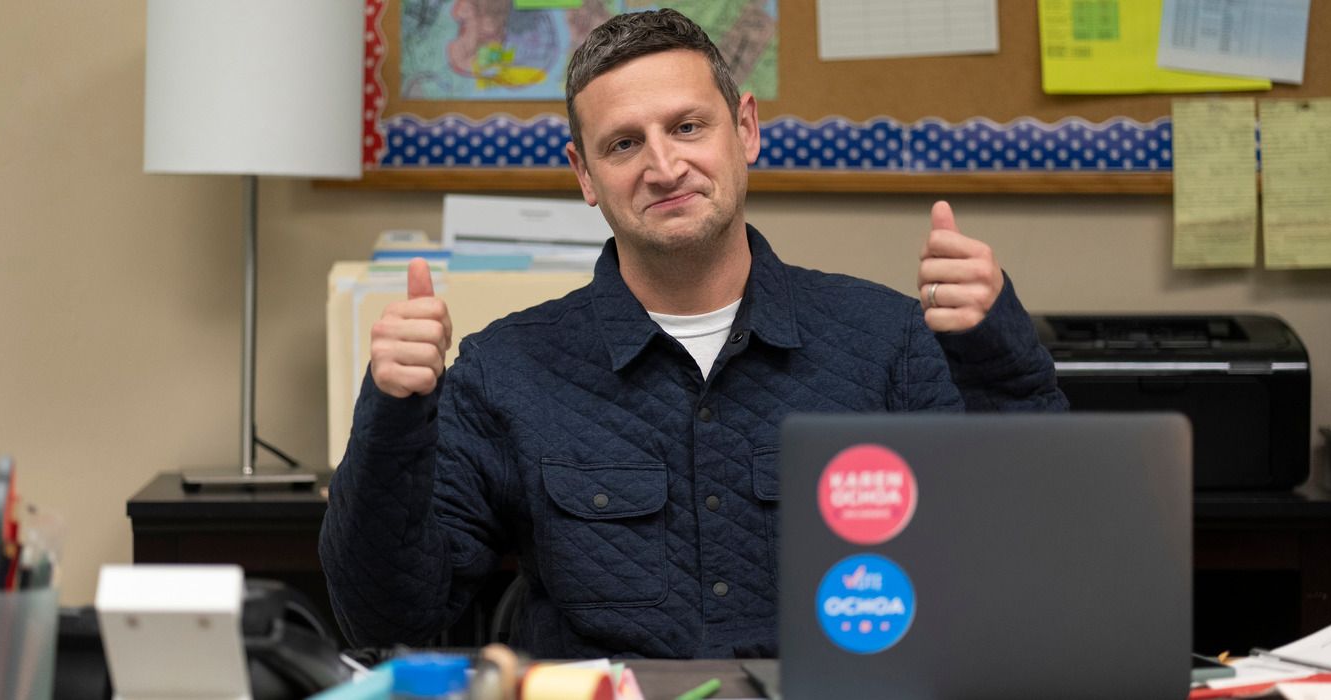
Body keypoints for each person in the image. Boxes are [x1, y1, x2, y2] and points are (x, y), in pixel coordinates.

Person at [320, 8, 1067, 659]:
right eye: (623, 145)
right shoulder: (504, 369)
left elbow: (1030, 556)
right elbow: (387, 622)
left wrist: (995, 352)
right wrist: (392, 412)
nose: (664, 165)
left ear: (744, 131)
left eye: (686, 127)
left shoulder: (888, 341)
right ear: (585, 176)